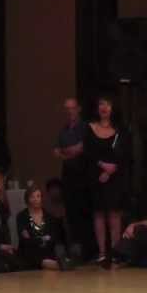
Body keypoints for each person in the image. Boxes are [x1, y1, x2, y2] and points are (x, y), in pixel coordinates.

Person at [86, 95, 131, 268]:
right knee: (98, 213)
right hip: (96, 175)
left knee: (114, 213)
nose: (104, 107)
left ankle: (115, 252)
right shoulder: (90, 128)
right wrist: (102, 166)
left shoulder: (121, 130)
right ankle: (102, 253)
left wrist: (112, 169)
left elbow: (126, 154)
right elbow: (88, 153)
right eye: (101, 104)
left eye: (108, 104)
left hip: (116, 176)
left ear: (113, 107)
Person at [54, 97, 92, 261]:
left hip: (82, 177)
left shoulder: (85, 128)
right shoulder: (63, 130)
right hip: (68, 176)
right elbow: (56, 151)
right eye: (67, 108)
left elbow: (80, 148)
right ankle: (75, 251)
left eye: (72, 108)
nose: (70, 111)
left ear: (79, 109)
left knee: (84, 213)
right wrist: (67, 152)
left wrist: (67, 152)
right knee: (70, 214)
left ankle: (87, 251)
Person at [15, 184, 66, 270]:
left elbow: (53, 237)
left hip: (47, 251)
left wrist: (41, 239)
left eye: (38, 196)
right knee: (31, 253)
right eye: (32, 197)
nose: (35, 199)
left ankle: (57, 263)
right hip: (30, 252)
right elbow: (25, 240)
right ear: (27, 199)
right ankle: (52, 264)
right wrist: (43, 239)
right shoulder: (21, 217)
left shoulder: (49, 217)